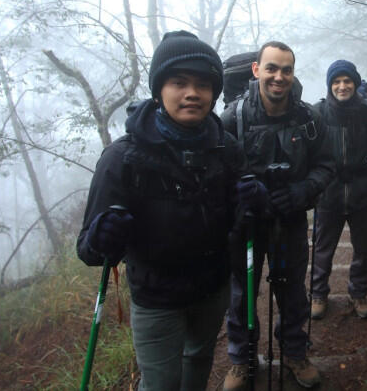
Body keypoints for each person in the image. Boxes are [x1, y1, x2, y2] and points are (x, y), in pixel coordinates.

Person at [77, 30, 262, 391]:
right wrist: (103, 237)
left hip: (211, 288)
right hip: (156, 296)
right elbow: (88, 250)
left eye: (203, 84)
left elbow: (244, 220)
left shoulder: (226, 148)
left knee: (198, 359)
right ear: (159, 89)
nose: (192, 92)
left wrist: (255, 202)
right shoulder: (123, 157)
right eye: (179, 82)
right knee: (160, 383)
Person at [221, 41, 335, 390]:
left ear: (292, 73)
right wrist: (239, 203)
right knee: (241, 293)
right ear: (257, 70)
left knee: (292, 292)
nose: (279, 77)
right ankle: (241, 360)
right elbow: (217, 172)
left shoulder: (308, 118)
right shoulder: (233, 117)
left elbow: (326, 164)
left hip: (290, 220)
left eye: (286, 69)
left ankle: (295, 353)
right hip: (247, 225)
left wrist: (303, 191)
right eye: (271, 68)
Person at [310, 60, 367, 321]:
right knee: (323, 249)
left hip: (361, 192)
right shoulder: (318, 112)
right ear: (330, 85)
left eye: (347, 81)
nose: (342, 86)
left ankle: (359, 294)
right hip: (328, 193)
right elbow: (307, 148)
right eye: (336, 81)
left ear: (355, 84)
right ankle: (318, 295)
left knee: (362, 248)